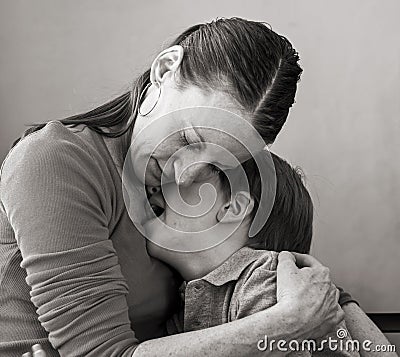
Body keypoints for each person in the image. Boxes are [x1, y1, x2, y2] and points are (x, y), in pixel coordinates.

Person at [0, 17, 385, 357]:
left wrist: (324, 301)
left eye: (218, 161)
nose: (187, 173)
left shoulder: (188, 223)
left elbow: (275, 276)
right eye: (187, 137)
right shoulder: (58, 160)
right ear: (166, 68)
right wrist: (289, 323)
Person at [144, 151, 359, 356]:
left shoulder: (266, 278)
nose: (154, 188)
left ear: (233, 208)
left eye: (188, 177)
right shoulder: (186, 298)